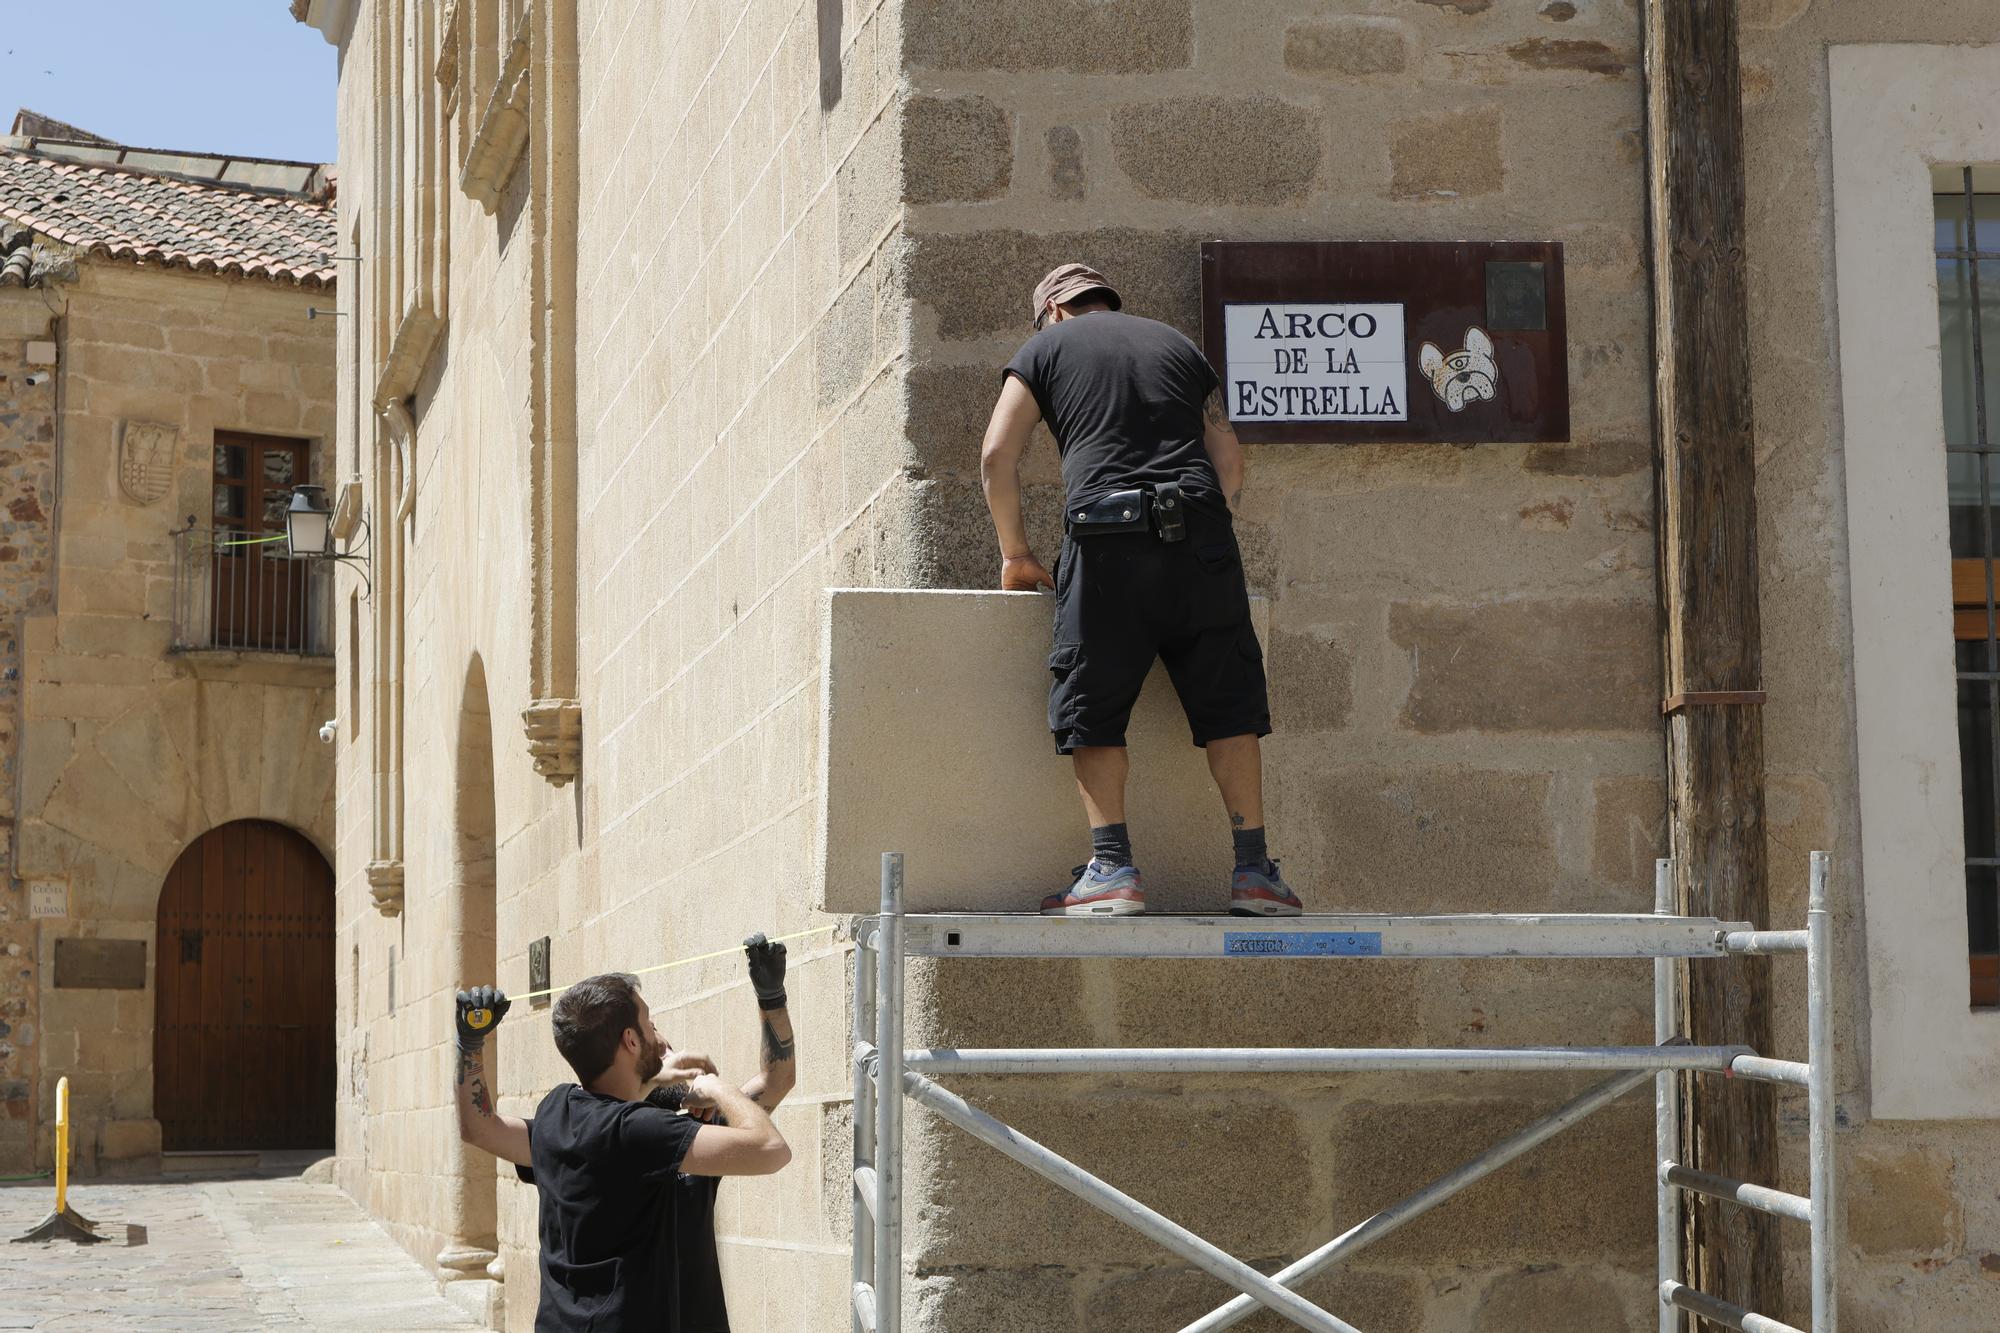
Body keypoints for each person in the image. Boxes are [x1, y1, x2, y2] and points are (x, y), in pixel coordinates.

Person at [979, 262, 1304, 918]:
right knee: (1230, 702)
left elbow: (996, 455)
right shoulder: (1178, 346)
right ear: (1105, 303)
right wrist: (1200, 538)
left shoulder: (1043, 348)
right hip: (1202, 533)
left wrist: (1016, 554)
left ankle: (1111, 869)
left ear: (1055, 312)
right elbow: (1230, 460)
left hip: (1107, 537)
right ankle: (1255, 872)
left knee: (1091, 697)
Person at [451, 933, 798, 1331]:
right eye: (651, 1028)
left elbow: (480, 1127)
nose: (661, 1039)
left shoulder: (562, 1115)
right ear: (631, 1042)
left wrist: (772, 998)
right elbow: (769, 1146)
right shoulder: (650, 1131)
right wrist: (714, 1086)